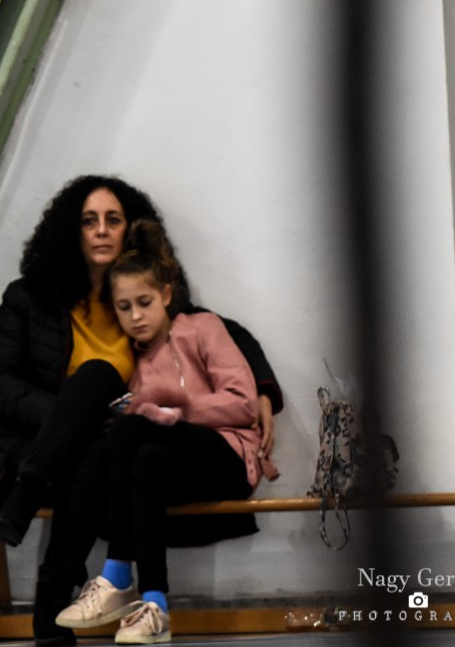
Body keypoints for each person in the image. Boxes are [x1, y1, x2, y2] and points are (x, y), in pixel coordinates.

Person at [0, 175, 282, 645]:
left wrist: (264, 390)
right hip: (46, 440)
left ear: (128, 229)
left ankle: (67, 596)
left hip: (121, 434)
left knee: (99, 421)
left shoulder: (137, 294)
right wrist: (70, 417)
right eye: (88, 220)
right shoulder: (30, 297)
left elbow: (222, 332)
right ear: (70, 230)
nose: (101, 230)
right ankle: (66, 595)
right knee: (92, 402)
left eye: (112, 220)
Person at [51, 218, 278, 644]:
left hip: (228, 454)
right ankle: (155, 605)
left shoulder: (202, 327)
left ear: (166, 296)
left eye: (144, 302)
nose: (136, 316)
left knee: (133, 429)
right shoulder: (129, 358)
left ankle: (117, 573)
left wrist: (180, 408)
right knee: (145, 457)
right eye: (124, 307)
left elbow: (244, 404)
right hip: (172, 466)